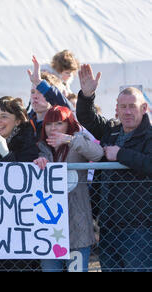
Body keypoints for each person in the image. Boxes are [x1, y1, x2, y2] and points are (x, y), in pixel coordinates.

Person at [76, 63, 151, 272]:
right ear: (116, 109)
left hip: (141, 229)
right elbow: (87, 118)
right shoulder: (111, 130)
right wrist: (87, 95)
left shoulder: (150, 136)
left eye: (132, 106)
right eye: (122, 107)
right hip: (108, 226)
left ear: (143, 109)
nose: (127, 112)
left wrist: (121, 155)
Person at [33, 105, 104, 272]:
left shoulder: (76, 143)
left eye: (59, 123)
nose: (53, 128)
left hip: (77, 221)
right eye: (49, 124)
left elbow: (98, 154)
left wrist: (69, 140)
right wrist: (37, 163)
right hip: (49, 227)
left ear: (68, 125)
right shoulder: (40, 148)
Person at [0, 96, 39, 163]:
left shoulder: (28, 145)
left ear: (17, 121)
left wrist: (6, 154)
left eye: (4, 116)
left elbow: (21, 171)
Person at [27, 55, 73, 140]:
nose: (35, 96)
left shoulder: (61, 123)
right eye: (32, 92)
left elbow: (68, 110)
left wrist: (40, 83)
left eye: (40, 92)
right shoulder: (25, 122)